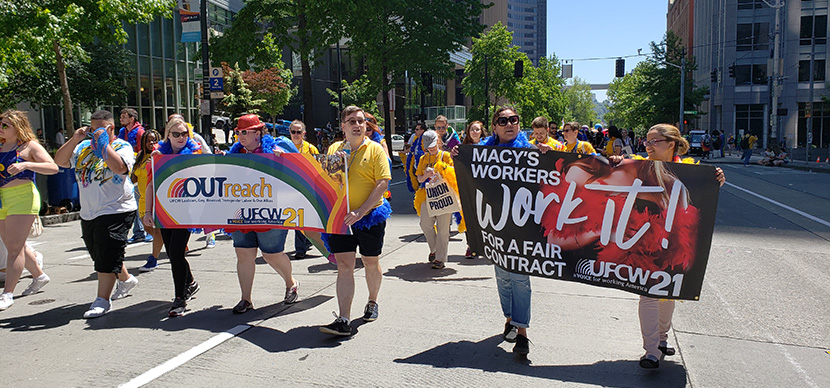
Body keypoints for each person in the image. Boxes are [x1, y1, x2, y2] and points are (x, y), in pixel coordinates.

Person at [452, 106, 555, 356]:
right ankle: (509, 319)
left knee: (520, 277)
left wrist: (547, 156)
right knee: (503, 277)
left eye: (514, 120)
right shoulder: (483, 153)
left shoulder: (531, 151)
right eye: (503, 120)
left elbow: (553, 180)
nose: (509, 124)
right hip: (495, 226)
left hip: (523, 227)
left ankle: (522, 333)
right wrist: (459, 155)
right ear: (495, 127)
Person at [54, 110, 140, 318]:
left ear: (111, 128)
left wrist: (104, 146)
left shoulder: (122, 146)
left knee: (107, 252)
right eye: (92, 130)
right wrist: (75, 138)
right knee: (99, 253)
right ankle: (126, 280)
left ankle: (102, 299)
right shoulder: (83, 147)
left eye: (99, 130)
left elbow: (120, 168)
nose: (94, 134)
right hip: (89, 211)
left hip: (117, 209)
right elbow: (60, 161)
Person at [319, 106, 391, 337]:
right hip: (341, 217)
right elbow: (324, 179)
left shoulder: (376, 149)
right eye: (352, 121)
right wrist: (337, 164)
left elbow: (382, 184)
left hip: (369, 217)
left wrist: (361, 211)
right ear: (343, 126)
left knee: (370, 262)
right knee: (344, 266)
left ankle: (372, 301)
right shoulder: (334, 148)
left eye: (361, 121)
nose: (357, 125)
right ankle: (344, 319)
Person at [224, 114, 299, 314]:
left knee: (271, 254)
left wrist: (283, 159)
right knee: (243, 254)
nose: (240, 136)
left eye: (245, 132)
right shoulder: (234, 154)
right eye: (238, 132)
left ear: (258, 133)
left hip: (270, 211)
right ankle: (245, 299)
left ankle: (290, 283)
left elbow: (298, 170)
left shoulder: (275, 150)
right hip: (241, 211)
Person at [142, 117, 202, 317]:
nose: (181, 137)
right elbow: (151, 185)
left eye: (184, 134)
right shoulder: (158, 156)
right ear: (167, 135)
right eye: (176, 134)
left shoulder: (194, 153)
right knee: (173, 253)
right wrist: (148, 212)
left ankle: (179, 298)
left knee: (176, 253)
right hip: (164, 211)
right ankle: (190, 282)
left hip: (186, 212)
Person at [0, 111, 58, 310]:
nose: (1, 128)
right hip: (2, 199)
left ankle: (7, 294)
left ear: (18, 126)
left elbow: (53, 167)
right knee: (14, 244)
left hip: (23, 197)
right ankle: (39, 275)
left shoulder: (29, 146)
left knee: (14, 249)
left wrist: (27, 164)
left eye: (6, 125)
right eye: (1, 124)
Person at [414, 130, 453, 269]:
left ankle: (440, 259)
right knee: (425, 224)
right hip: (427, 194)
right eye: (427, 146)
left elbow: (453, 174)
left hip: (444, 195)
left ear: (438, 141)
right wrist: (425, 175)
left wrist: (440, 171)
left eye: (433, 144)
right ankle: (435, 249)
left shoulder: (446, 156)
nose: (430, 148)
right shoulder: (423, 159)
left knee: (443, 229)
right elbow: (419, 178)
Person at [288, 119, 322, 260]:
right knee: (297, 220)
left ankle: (306, 242)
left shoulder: (310, 148)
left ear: (304, 133)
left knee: (307, 220)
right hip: (291, 188)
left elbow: (318, 167)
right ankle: (300, 249)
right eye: (293, 132)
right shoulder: (285, 147)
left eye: (298, 132)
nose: (296, 134)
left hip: (308, 188)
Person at [131, 130, 163, 272]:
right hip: (143, 199)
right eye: (148, 140)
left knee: (157, 231)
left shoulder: (160, 155)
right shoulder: (139, 156)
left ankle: (153, 259)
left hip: (157, 200)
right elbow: (134, 178)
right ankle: (166, 245)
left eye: (154, 140)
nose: (151, 143)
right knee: (147, 228)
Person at [460, 121, 487, 259]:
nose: (474, 132)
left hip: (485, 188)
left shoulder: (489, 146)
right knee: (469, 218)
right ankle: (471, 246)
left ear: (482, 132)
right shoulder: (463, 148)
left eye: (477, 130)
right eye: (472, 129)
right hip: (469, 187)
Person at [404, 123, 427, 193]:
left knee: (423, 186)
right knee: (416, 185)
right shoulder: (415, 138)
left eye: (417, 129)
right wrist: (405, 151)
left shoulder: (426, 139)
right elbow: (412, 149)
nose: (415, 131)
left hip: (423, 166)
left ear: (422, 130)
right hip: (415, 165)